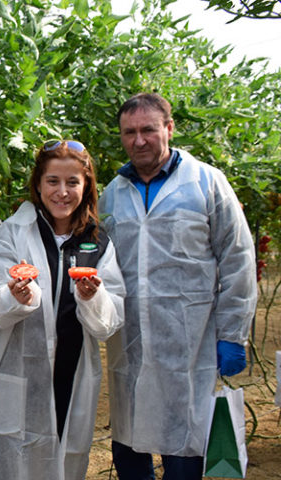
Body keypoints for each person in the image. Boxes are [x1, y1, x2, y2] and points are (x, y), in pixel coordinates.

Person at [99, 93, 257, 479]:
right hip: (130, 342)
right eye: (129, 132)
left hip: (191, 342)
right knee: (130, 444)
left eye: (148, 130)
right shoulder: (111, 194)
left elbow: (237, 259)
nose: (139, 141)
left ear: (168, 129)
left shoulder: (205, 182)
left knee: (185, 446)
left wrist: (233, 333)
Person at [0, 140, 125, 479]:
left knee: (65, 460)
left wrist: (91, 298)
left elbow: (109, 321)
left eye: (73, 182)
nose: (62, 191)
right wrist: (17, 298)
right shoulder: (12, 233)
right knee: (12, 461)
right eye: (53, 181)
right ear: (38, 185)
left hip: (74, 375)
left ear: (86, 187)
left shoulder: (97, 243)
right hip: (19, 374)